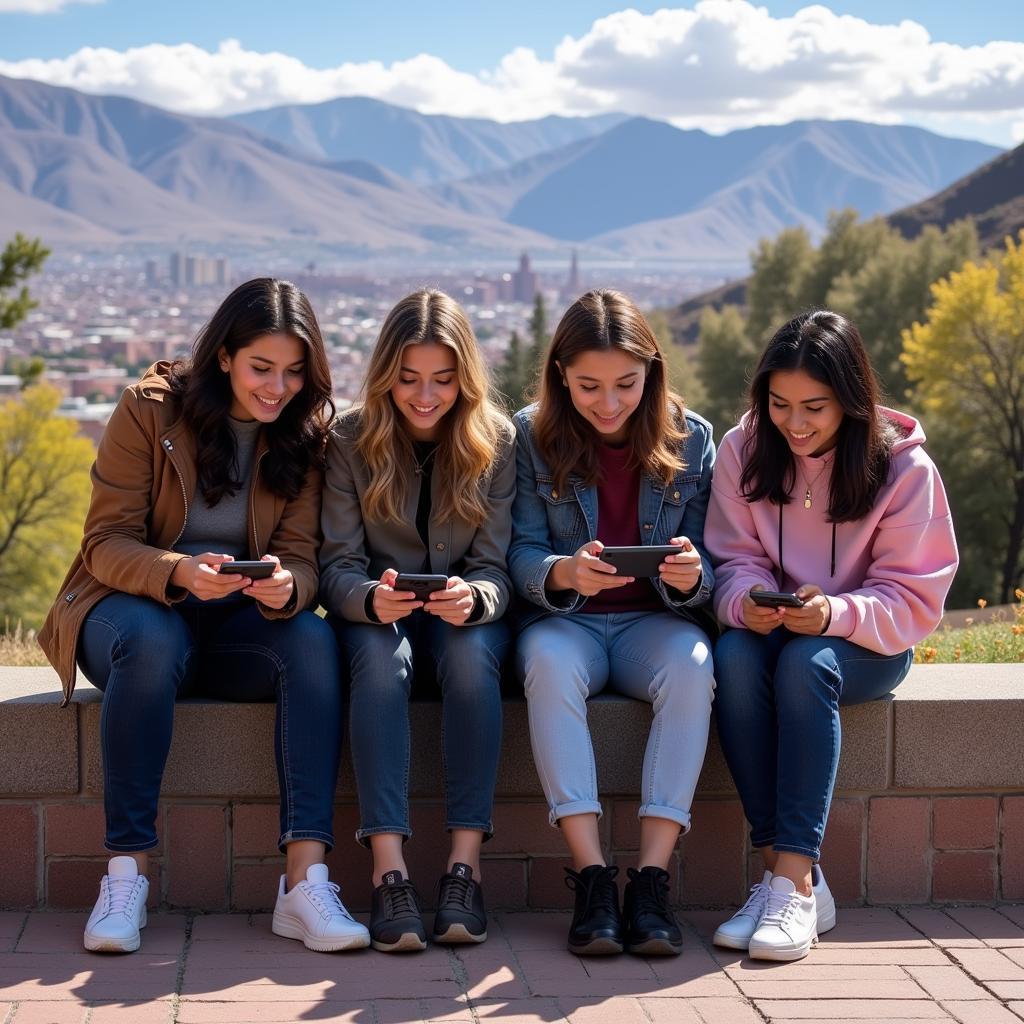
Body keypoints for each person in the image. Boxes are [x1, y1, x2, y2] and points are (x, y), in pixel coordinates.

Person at [38, 278, 369, 955]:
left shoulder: (309, 432)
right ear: (223, 356)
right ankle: (126, 876)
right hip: (130, 617)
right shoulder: (148, 410)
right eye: (261, 368)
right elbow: (104, 543)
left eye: (294, 371)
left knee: (309, 639)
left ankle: (304, 884)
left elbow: (304, 559)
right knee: (153, 640)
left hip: (236, 628)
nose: (277, 387)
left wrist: (289, 588)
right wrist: (179, 572)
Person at [706, 309, 958, 962]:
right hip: (778, 630)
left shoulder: (906, 470)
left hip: (868, 642)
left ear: (851, 398)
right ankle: (794, 882)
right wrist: (743, 604)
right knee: (733, 657)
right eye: (779, 403)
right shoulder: (743, 449)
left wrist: (835, 614)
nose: (794, 424)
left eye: (815, 407)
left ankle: (789, 883)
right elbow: (733, 559)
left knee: (805, 664)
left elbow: (914, 598)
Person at [508, 289, 717, 957]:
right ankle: (593, 875)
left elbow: (711, 555)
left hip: (652, 624)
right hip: (567, 623)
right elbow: (519, 550)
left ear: (652, 371)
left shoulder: (694, 438)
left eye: (625, 385)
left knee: (694, 668)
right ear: (560, 375)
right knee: (545, 664)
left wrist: (692, 574)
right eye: (588, 386)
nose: (607, 403)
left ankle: (651, 879)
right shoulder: (529, 435)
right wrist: (565, 573)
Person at [319, 289, 515, 952]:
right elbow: (336, 564)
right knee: (378, 660)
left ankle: (465, 868)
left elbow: (497, 568)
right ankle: (389, 872)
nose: (425, 396)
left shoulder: (498, 439)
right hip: (378, 615)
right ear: (384, 375)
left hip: (460, 617)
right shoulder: (348, 439)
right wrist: (371, 598)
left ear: (465, 376)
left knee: (471, 655)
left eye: (442, 379)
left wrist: (477, 598)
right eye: (408, 380)